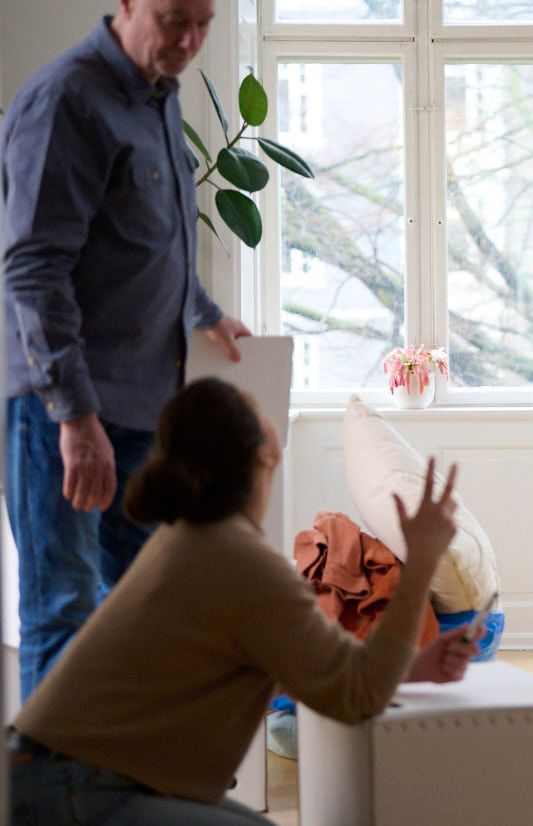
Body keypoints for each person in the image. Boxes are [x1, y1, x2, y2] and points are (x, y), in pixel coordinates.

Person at [7, 377, 478, 825]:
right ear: (266, 453)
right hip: (75, 791)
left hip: (51, 778)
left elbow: (314, 674)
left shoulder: (194, 541)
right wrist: (420, 564)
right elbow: (358, 696)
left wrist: (412, 666)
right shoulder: (239, 562)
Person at [1, 0, 250, 701]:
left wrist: (204, 311)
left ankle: (123, 789)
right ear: (128, 3)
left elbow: (149, 234)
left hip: (144, 407)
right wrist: (77, 421)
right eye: (175, 20)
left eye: (205, 24)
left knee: (151, 604)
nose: (191, 40)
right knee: (64, 614)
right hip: (64, 415)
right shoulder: (67, 100)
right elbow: (34, 269)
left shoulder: (158, 96)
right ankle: (57, 805)